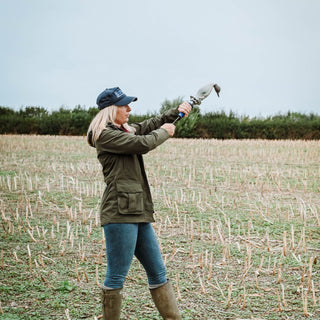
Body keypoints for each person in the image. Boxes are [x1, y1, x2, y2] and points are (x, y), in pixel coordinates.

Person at [87, 87, 191, 320]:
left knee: (158, 273)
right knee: (116, 277)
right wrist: (165, 132)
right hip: (120, 212)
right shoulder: (106, 135)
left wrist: (177, 111)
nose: (129, 109)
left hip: (138, 210)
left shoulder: (124, 129)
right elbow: (143, 143)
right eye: (124, 105)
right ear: (111, 110)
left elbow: (148, 125)